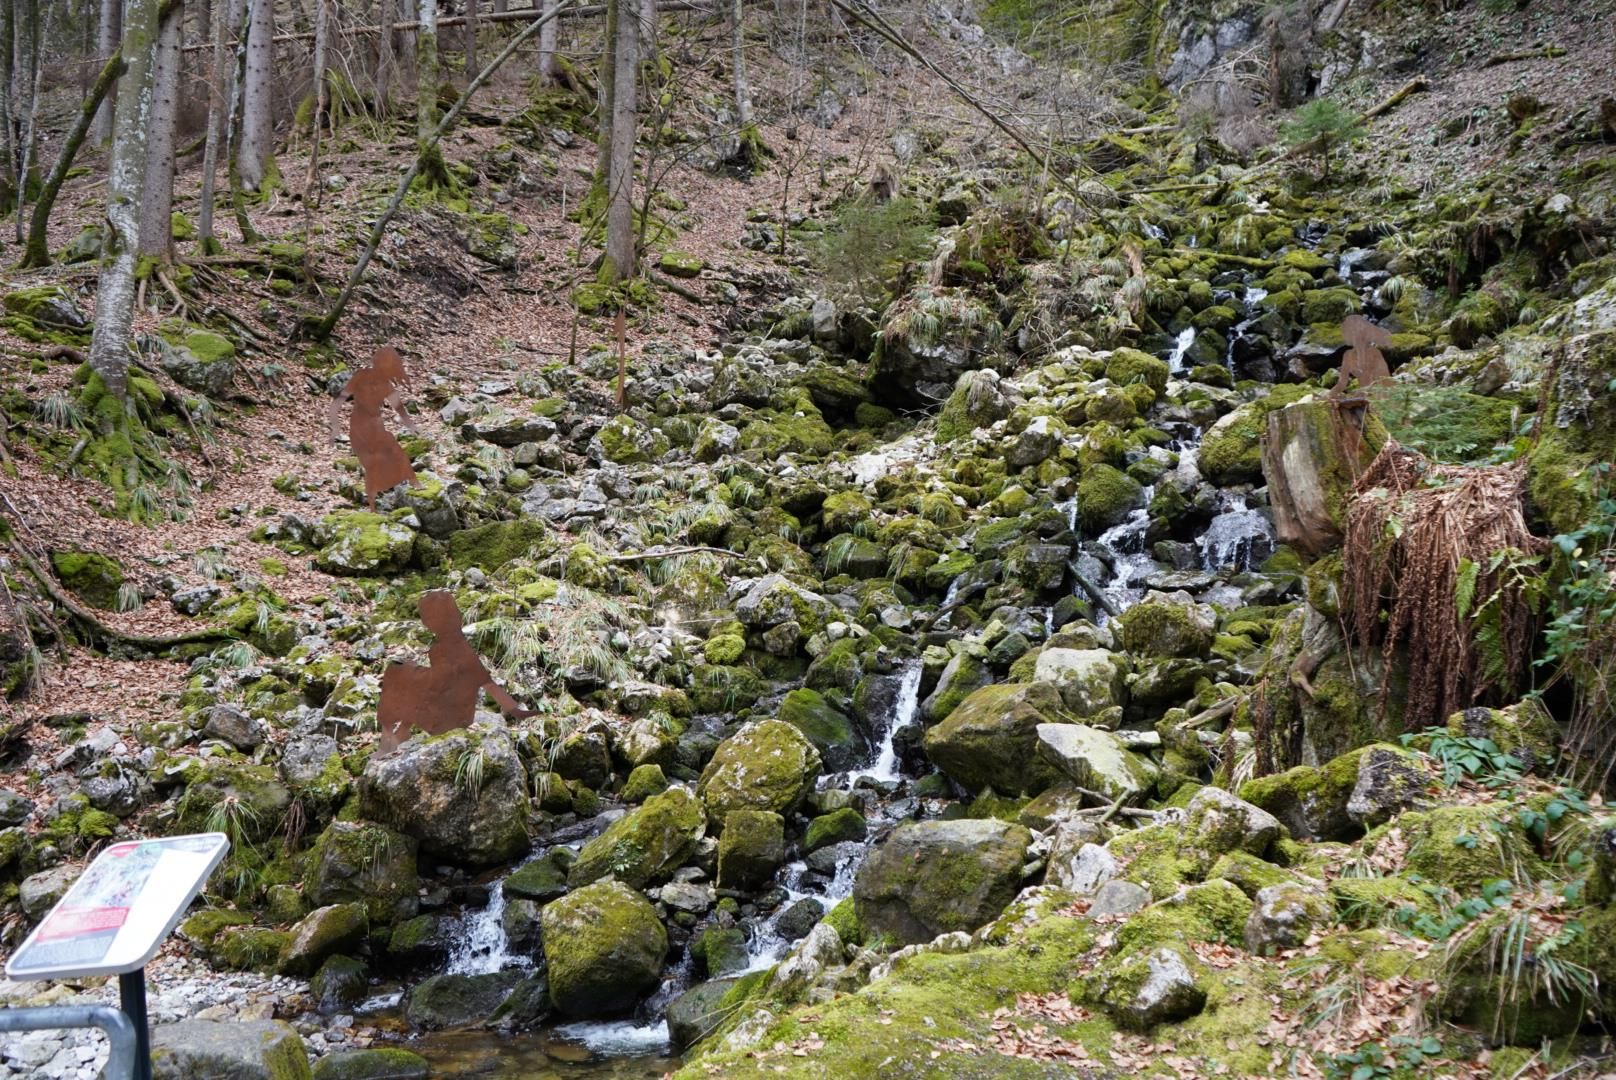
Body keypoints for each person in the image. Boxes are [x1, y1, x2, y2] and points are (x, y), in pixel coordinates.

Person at [376, 590, 532, 753]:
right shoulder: (443, 647)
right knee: (402, 674)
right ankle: (397, 734)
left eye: (431, 619)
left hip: (454, 717)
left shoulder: (458, 648)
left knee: (401, 675)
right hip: (446, 709)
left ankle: (396, 736)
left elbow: (487, 683)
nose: (429, 624)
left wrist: (517, 712)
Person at [330, 346, 416, 510]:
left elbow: (398, 407)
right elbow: (339, 401)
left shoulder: (386, 384)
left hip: (377, 426)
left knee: (395, 451)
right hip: (359, 427)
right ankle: (372, 506)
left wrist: (411, 425)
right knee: (372, 463)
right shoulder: (361, 376)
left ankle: (414, 486)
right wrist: (335, 427)